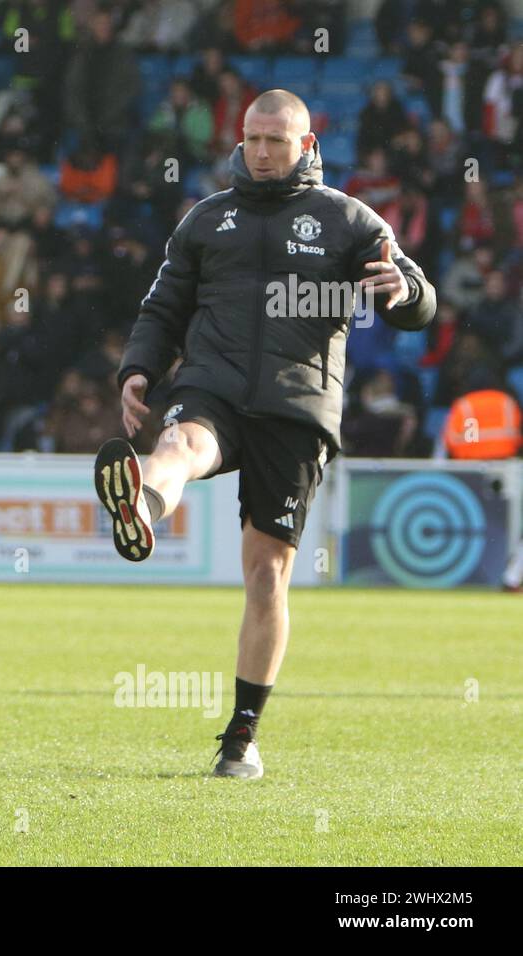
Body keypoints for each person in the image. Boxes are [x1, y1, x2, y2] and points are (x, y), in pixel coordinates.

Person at [94, 90, 437, 779]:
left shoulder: (345, 218)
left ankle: (241, 737)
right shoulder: (206, 219)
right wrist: (138, 370)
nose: (261, 151)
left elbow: (418, 296)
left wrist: (402, 290)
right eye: (253, 138)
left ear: (306, 145)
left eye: (277, 141)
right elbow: (164, 306)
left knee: (265, 574)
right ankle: (140, 505)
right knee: (179, 445)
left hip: (296, 409)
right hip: (212, 385)